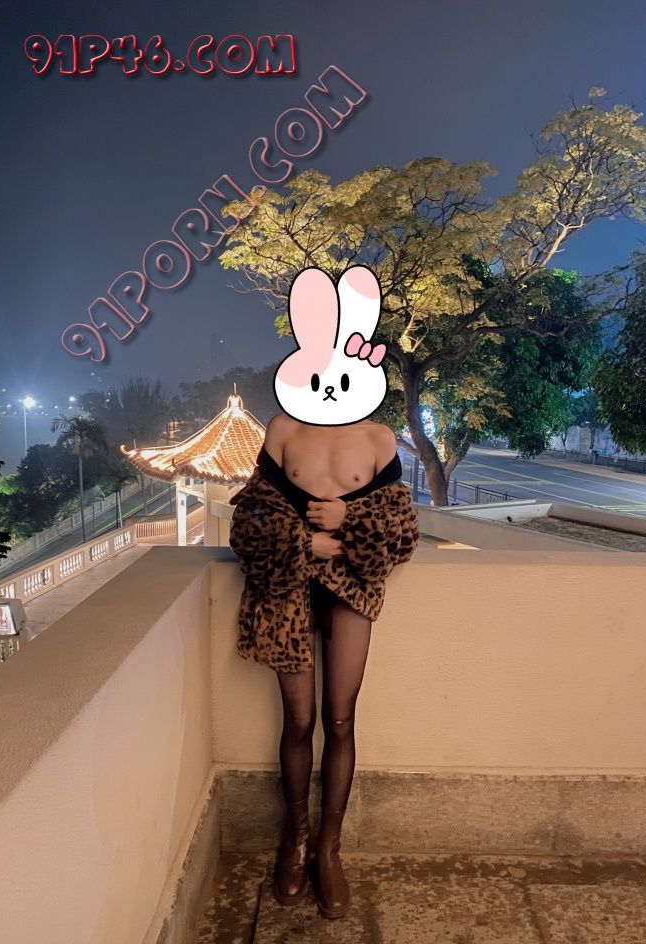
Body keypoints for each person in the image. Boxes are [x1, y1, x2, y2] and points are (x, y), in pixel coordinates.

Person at [228, 263, 419, 919]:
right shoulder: (283, 430)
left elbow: (401, 529)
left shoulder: (379, 438)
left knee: (340, 720)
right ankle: (296, 840)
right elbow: (250, 517)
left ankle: (329, 851)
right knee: (299, 721)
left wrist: (348, 527)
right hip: (285, 592)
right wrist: (302, 542)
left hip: (350, 593)